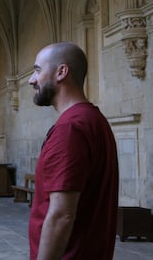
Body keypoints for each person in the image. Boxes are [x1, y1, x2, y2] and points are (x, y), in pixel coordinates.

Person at [27, 42, 119, 260]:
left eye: (38, 70)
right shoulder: (94, 120)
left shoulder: (69, 129)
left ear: (61, 72)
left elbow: (61, 215)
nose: (32, 79)